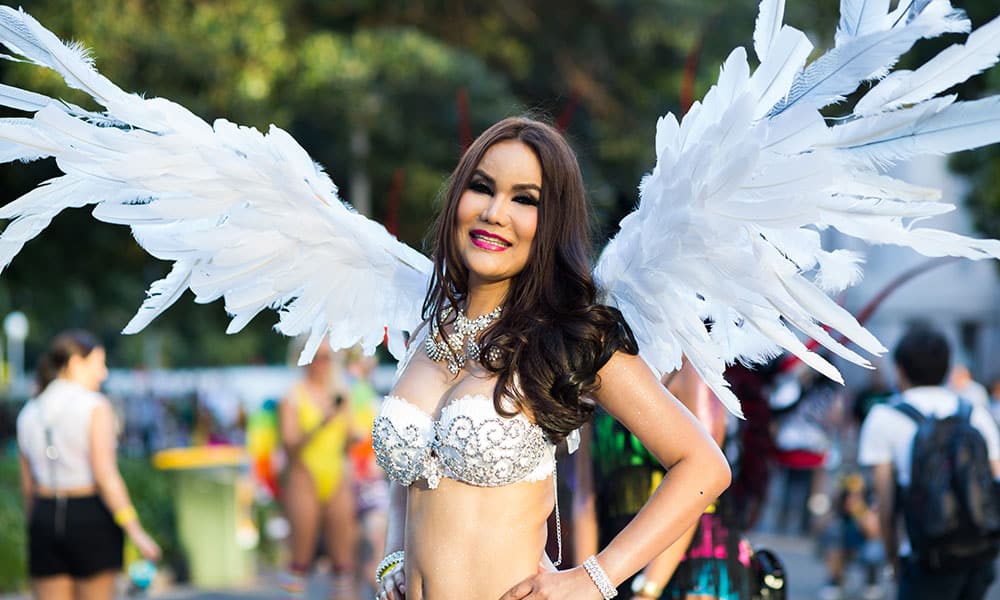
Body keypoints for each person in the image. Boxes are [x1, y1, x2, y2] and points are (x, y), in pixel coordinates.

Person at [372, 118, 731, 600]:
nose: (495, 213)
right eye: (482, 188)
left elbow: (704, 466)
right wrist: (395, 556)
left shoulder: (566, 338)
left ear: (552, 223)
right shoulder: (430, 329)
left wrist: (593, 579)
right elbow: (414, 471)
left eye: (525, 199)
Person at [574, 357, 751, 599]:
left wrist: (649, 588)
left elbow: (702, 485)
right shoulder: (596, 371)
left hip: (692, 565)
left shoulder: (690, 373)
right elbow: (585, 497)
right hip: (617, 560)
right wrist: (586, 579)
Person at [16, 330, 161, 600]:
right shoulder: (95, 406)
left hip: (43, 516)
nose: (103, 373)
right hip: (89, 515)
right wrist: (136, 532)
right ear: (74, 363)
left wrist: (36, 525)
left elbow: (27, 486)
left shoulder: (29, 411)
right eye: (98, 364)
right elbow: (105, 475)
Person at [858, 326, 1000, 600]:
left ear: (900, 369)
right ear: (948, 367)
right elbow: (994, 480)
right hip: (978, 555)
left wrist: (893, 558)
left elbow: (885, 503)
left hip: (926, 555)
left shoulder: (884, 417)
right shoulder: (974, 413)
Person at [278, 340, 358, 596]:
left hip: (336, 476)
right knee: (300, 557)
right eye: (316, 357)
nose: (322, 364)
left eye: (326, 358)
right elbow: (289, 445)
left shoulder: (341, 394)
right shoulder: (293, 395)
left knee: (343, 561)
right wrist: (321, 421)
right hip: (304, 477)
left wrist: (353, 435)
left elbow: (348, 439)